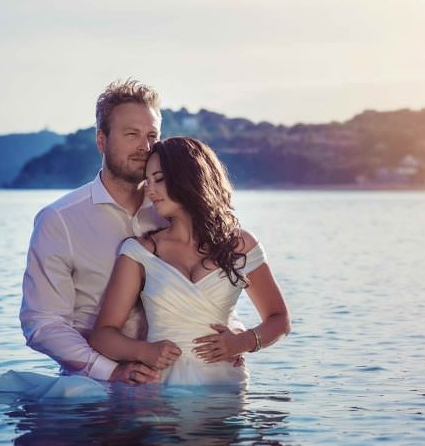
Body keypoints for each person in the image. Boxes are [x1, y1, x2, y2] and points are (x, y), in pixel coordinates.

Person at [89, 136, 290, 387]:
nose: (150, 191)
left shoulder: (240, 245)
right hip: (162, 392)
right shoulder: (140, 252)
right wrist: (144, 352)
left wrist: (243, 342)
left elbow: (279, 319)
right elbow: (102, 335)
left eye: (159, 180)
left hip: (225, 390)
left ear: (189, 177)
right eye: (147, 181)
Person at [19, 78, 176, 386]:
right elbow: (43, 323)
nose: (144, 147)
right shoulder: (59, 220)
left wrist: (233, 334)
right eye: (131, 134)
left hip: (174, 382)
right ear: (101, 141)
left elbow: (205, 288)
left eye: (152, 135)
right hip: (93, 391)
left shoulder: (174, 213)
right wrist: (110, 371)